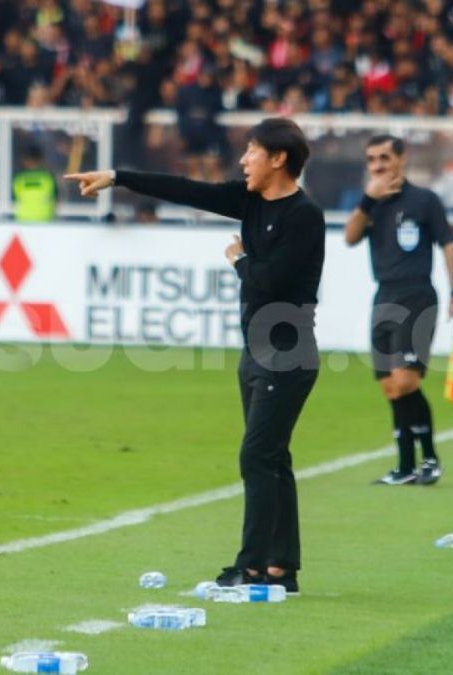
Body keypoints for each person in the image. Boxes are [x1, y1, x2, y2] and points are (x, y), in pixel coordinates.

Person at [66, 118, 323, 593]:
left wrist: (239, 259)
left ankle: (250, 567)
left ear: (279, 158)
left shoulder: (303, 215)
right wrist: (119, 178)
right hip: (256, 351)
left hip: (288, 352)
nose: (244, 159)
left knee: (257, 457)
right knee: (272, 459)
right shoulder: (249, 200)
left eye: (252, 151)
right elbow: (186, 189)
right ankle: (281, 568)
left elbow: (271, 279)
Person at [344, 135, 453, 486]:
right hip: (383, 296)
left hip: (416, 295)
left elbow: (448, 247)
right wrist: (368, 199)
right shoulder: (370, 205)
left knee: (406, 380)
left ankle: (430, 459)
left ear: (401, 159)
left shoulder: (424, 201)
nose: (378, 165)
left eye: (384, 157)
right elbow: (350, 238)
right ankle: (404, 466)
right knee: (389, 387)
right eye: (371, 159)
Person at [12, 143, 58, 223]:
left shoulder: (19, 179)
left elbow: (14, 198)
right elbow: (56, 199)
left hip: (23, 219)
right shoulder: (48, 177)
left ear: (24, 160)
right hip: (45, 219)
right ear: (40, 159)